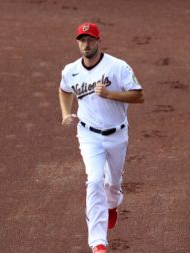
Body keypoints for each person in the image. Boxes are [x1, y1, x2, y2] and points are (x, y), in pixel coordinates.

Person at [58, 23, 144, 253]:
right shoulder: (71, 70)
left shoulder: (118, 67)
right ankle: (98, 243)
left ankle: (113, 204)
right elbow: (64, 90)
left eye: (90, 40)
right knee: (94, 181)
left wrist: (110, 94)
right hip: (88, 135)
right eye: (82, 40)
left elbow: (138, 96)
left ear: (98, 41)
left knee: (112, 184)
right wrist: (66, 113)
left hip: (117, 134)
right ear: (78, 42)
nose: (86, 44)